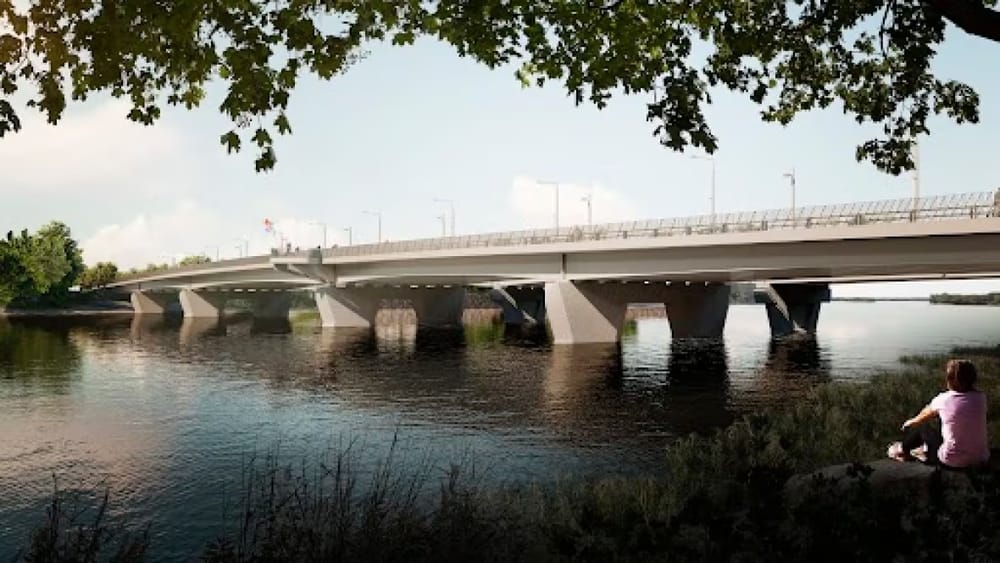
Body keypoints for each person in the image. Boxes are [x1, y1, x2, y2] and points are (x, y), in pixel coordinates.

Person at [888, 359, 989, 469]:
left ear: (951, 380)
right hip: (981, 458)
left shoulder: (944, 399)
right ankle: (921, 449)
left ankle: (902, 450)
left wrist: (910, 422)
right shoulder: (981, 398)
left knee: (923, 429)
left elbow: (923, 416)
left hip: (951, 461)